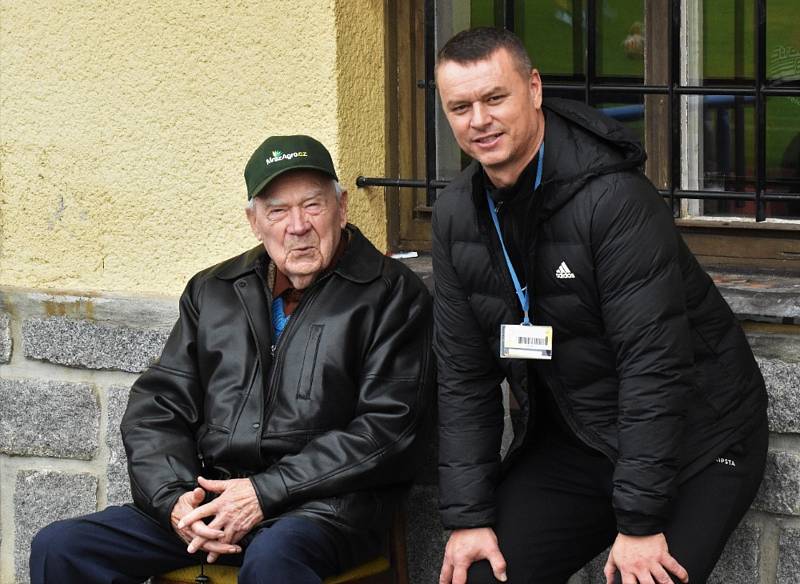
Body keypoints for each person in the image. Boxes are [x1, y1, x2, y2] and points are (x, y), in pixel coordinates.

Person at [432, 27, 767, 584]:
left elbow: (652, 365)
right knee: (481, 576)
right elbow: (463, 375)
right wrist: (468, 516)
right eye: (460, 107)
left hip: (698, 439)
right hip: (580, 439)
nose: (479, 121)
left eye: (495, 98)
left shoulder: (612, 199)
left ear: (534, 89)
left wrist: (638, 523)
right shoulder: (456, 215)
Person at [30, 134, 434, 584]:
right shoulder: (214, 289)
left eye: (312, 206)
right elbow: (157, 408)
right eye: (277, 211)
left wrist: (264, 492)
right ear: (253, 221)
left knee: (274, 559)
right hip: (216, 497)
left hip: (324, 508)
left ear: (342, 208)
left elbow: (387, 429)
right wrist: (173, 500)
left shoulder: (392, 294)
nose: (296, 225)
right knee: (62, 547)